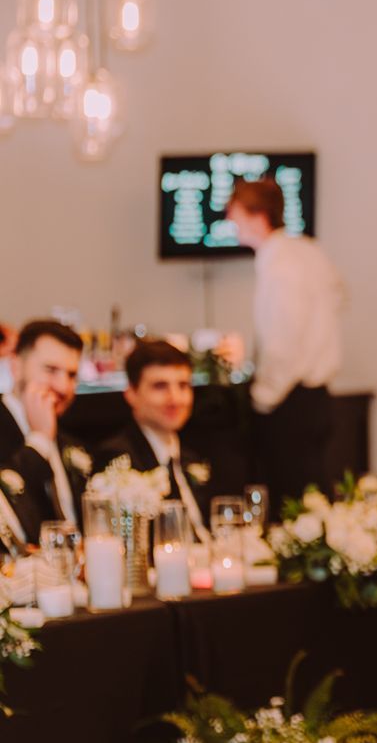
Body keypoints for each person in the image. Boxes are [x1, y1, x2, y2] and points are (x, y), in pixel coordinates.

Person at [227, 177, 346, 511]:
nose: (229, 223)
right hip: (319, 397)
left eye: (233, 214)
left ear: (256, 215)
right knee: (313, 498)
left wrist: (262, 397)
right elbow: (339, 296)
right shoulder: (309, 252)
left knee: (292, 505)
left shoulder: (279, 264)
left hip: (291, 402)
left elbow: (282, 341)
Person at [97, 341, 229, 537]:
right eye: (160, 386)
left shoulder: (193, 456)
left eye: (183, 386)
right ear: (131, 394)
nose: (175, 399)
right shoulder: (117, 460)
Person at [1, 320, 92, 534]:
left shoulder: (72, 444)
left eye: (71, 375)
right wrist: (40, 439)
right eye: (51, 370)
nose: (63, 387)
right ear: (16, 367)